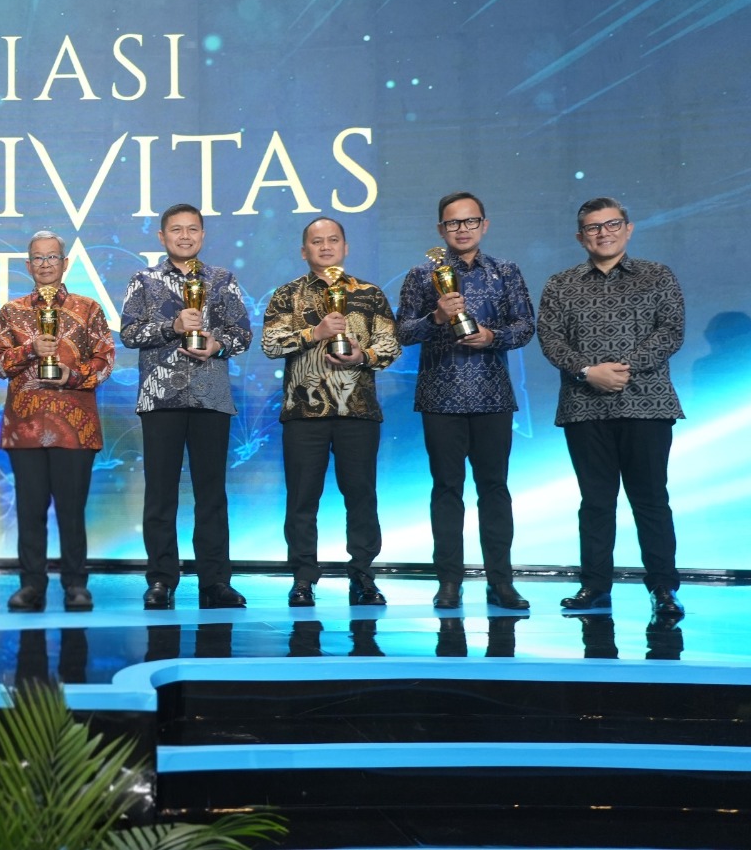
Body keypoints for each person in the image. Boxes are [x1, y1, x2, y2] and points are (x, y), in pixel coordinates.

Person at [538, 197, 685, 619]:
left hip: (647, 404)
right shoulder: (560, 284)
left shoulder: (658, 275)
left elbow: (670, 330)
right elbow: (550, 339)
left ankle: (663, 588)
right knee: (596, 502)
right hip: (584, 408)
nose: (603, 233)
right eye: (593, 227)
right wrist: (589, 372)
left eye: (612, 224)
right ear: (580, 236)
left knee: (651, 500)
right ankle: (594, 586)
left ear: (628, 228)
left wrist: (622, 369)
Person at [395, 192, 536, 611]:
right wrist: (436, 318)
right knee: (446, 490)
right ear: (441, 229)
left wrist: (493, 337)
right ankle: (449, 582)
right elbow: (402, 332)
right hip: (441, 395)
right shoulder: (422, 275)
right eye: (453, 223)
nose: (462, 229)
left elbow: (526, 326)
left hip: (493, 395)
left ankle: (501, 582)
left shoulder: (505, 271)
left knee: (495, 489)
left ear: (484, 225)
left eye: (470, 221)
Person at [260, 217, 400, 607]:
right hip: (303, 413)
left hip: (358, 411)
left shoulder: (369, 294)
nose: (325, 247)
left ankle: (363, 577)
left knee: (361, 497)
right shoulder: (287, 295)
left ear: (345, 247)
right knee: (302, 500)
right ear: (304, 251)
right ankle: (303, 578)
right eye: (317, 241)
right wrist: (314, 333)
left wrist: (363, 355)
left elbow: (390, 345)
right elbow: (270, 344)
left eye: (333, 240)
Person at [119, 203, 253, 610]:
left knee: (211, 494)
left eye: (192, 229)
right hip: (160, 398)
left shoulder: (222, 280)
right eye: (176, 230)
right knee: (160, 494)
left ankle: (216, 582)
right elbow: (128, 333)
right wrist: (172, 327)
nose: (185, 236)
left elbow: (243, 334)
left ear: (203, 235)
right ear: (162, 237)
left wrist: (217, 345)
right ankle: (161, 579)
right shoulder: (144, 280)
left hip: (211, 397)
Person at [0, 231, 115, 612]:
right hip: (25, 428)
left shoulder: (88, 309)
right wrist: (29, 350)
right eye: (38, 258)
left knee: (71, 512)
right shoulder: (11, 311)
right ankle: (32, 585)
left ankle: (76, 584)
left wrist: (72, 376)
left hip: (75, 428)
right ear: (28, 266)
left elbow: (105, 361)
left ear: (65, 263)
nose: (45, 264)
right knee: (30, 511)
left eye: (52, 257)